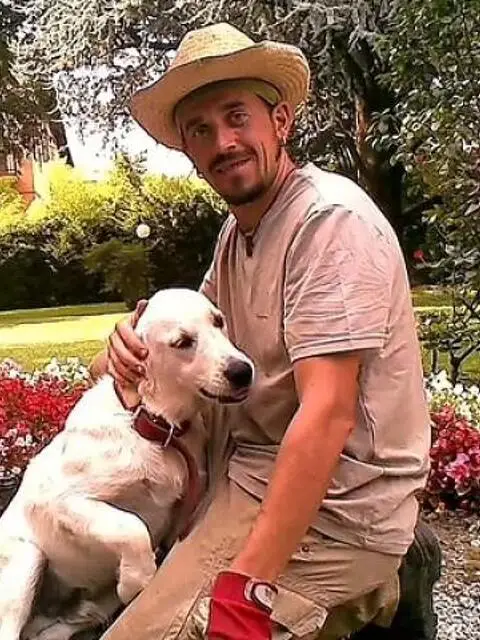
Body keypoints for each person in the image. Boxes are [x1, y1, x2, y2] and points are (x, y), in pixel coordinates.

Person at [90, 23, 435, 640]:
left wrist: (248, 589)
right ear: (189, 152)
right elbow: (185, 344)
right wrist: (121, 349)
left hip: (336, 515)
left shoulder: (329, 223)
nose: (223, 142)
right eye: (201, 130)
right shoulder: (239, 236)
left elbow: (327, 414)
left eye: (237, 117)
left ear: (280, 121)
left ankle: (377, 579)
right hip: (246, 480)